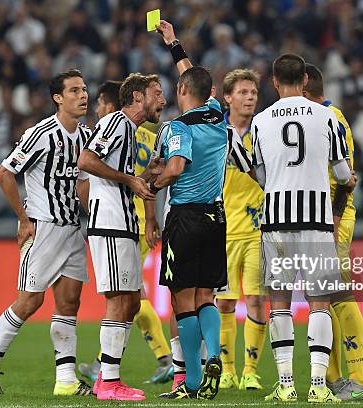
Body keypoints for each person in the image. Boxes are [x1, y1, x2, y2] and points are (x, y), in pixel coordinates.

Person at [0, 69, 92, 396]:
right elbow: (4, 174)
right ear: (58, 98)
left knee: (69, 301)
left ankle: (66, 380)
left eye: (84, 90)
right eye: (74, 91)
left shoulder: (86, 136)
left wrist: (91, 215)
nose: (83, 96)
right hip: (43, 227)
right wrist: (24, 220)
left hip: (72, 229)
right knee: (30, 301)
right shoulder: (41, 133)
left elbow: (82, 183)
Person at [251, 54, 354, 403]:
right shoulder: (327, 117)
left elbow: (261, 176)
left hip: (276, 221)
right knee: (319, 303)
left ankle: (285, 384)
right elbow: (342, 174)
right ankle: (319, 386)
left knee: (279, 303)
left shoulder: (260, 121)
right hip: (316, 221)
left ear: (274, 81)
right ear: (306, 79)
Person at [147, 20, 229, 400]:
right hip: (216, 217)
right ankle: (215, 355)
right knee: (206, 296)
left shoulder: (177, 127)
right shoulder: (217, 116)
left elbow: (177, 166)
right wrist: (174, 44)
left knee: (182, 301)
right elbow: (192, 76)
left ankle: (192, 383)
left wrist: (152, 183)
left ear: (181, 92)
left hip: (185, 218)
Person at [77, 80, 174, 385]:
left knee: (132, 302)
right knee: (120, 301)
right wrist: (130, 180)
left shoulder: (131, 132)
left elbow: (125, 180)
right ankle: (107, 382)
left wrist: (145, 175)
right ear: (137, 96)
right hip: (110, 222)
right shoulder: (116, 122)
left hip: (124, 222)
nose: (163, 99)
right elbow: (86, 160)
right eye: (156, 94)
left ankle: (106, 375)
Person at [303, 63, 363, 400]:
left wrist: (333, 217)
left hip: (334, 218)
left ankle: (359, 378)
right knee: (321, 299)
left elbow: (346, 175)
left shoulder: (333, 118)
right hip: (316, 218)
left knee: (338, 294)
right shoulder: (316, 118)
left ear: (304, 90)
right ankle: (334, 379)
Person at [216, 68, 267, 391]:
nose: (250, 98)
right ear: (228, 98)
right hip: (222, 228)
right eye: (243, 93)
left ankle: (250, 369)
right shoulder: (216, 131)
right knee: (224, 303)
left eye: (253, 93)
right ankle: (227, 370)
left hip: (258, 230)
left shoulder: (265, 129)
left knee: (258, 301)